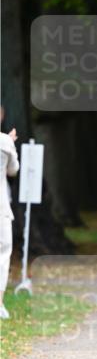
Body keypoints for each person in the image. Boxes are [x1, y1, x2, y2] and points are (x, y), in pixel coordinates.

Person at [0, 116, 19, 320]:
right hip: (1, 206)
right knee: (3, 253)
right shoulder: (4, 141)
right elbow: (13, 170)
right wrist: (10, 142)